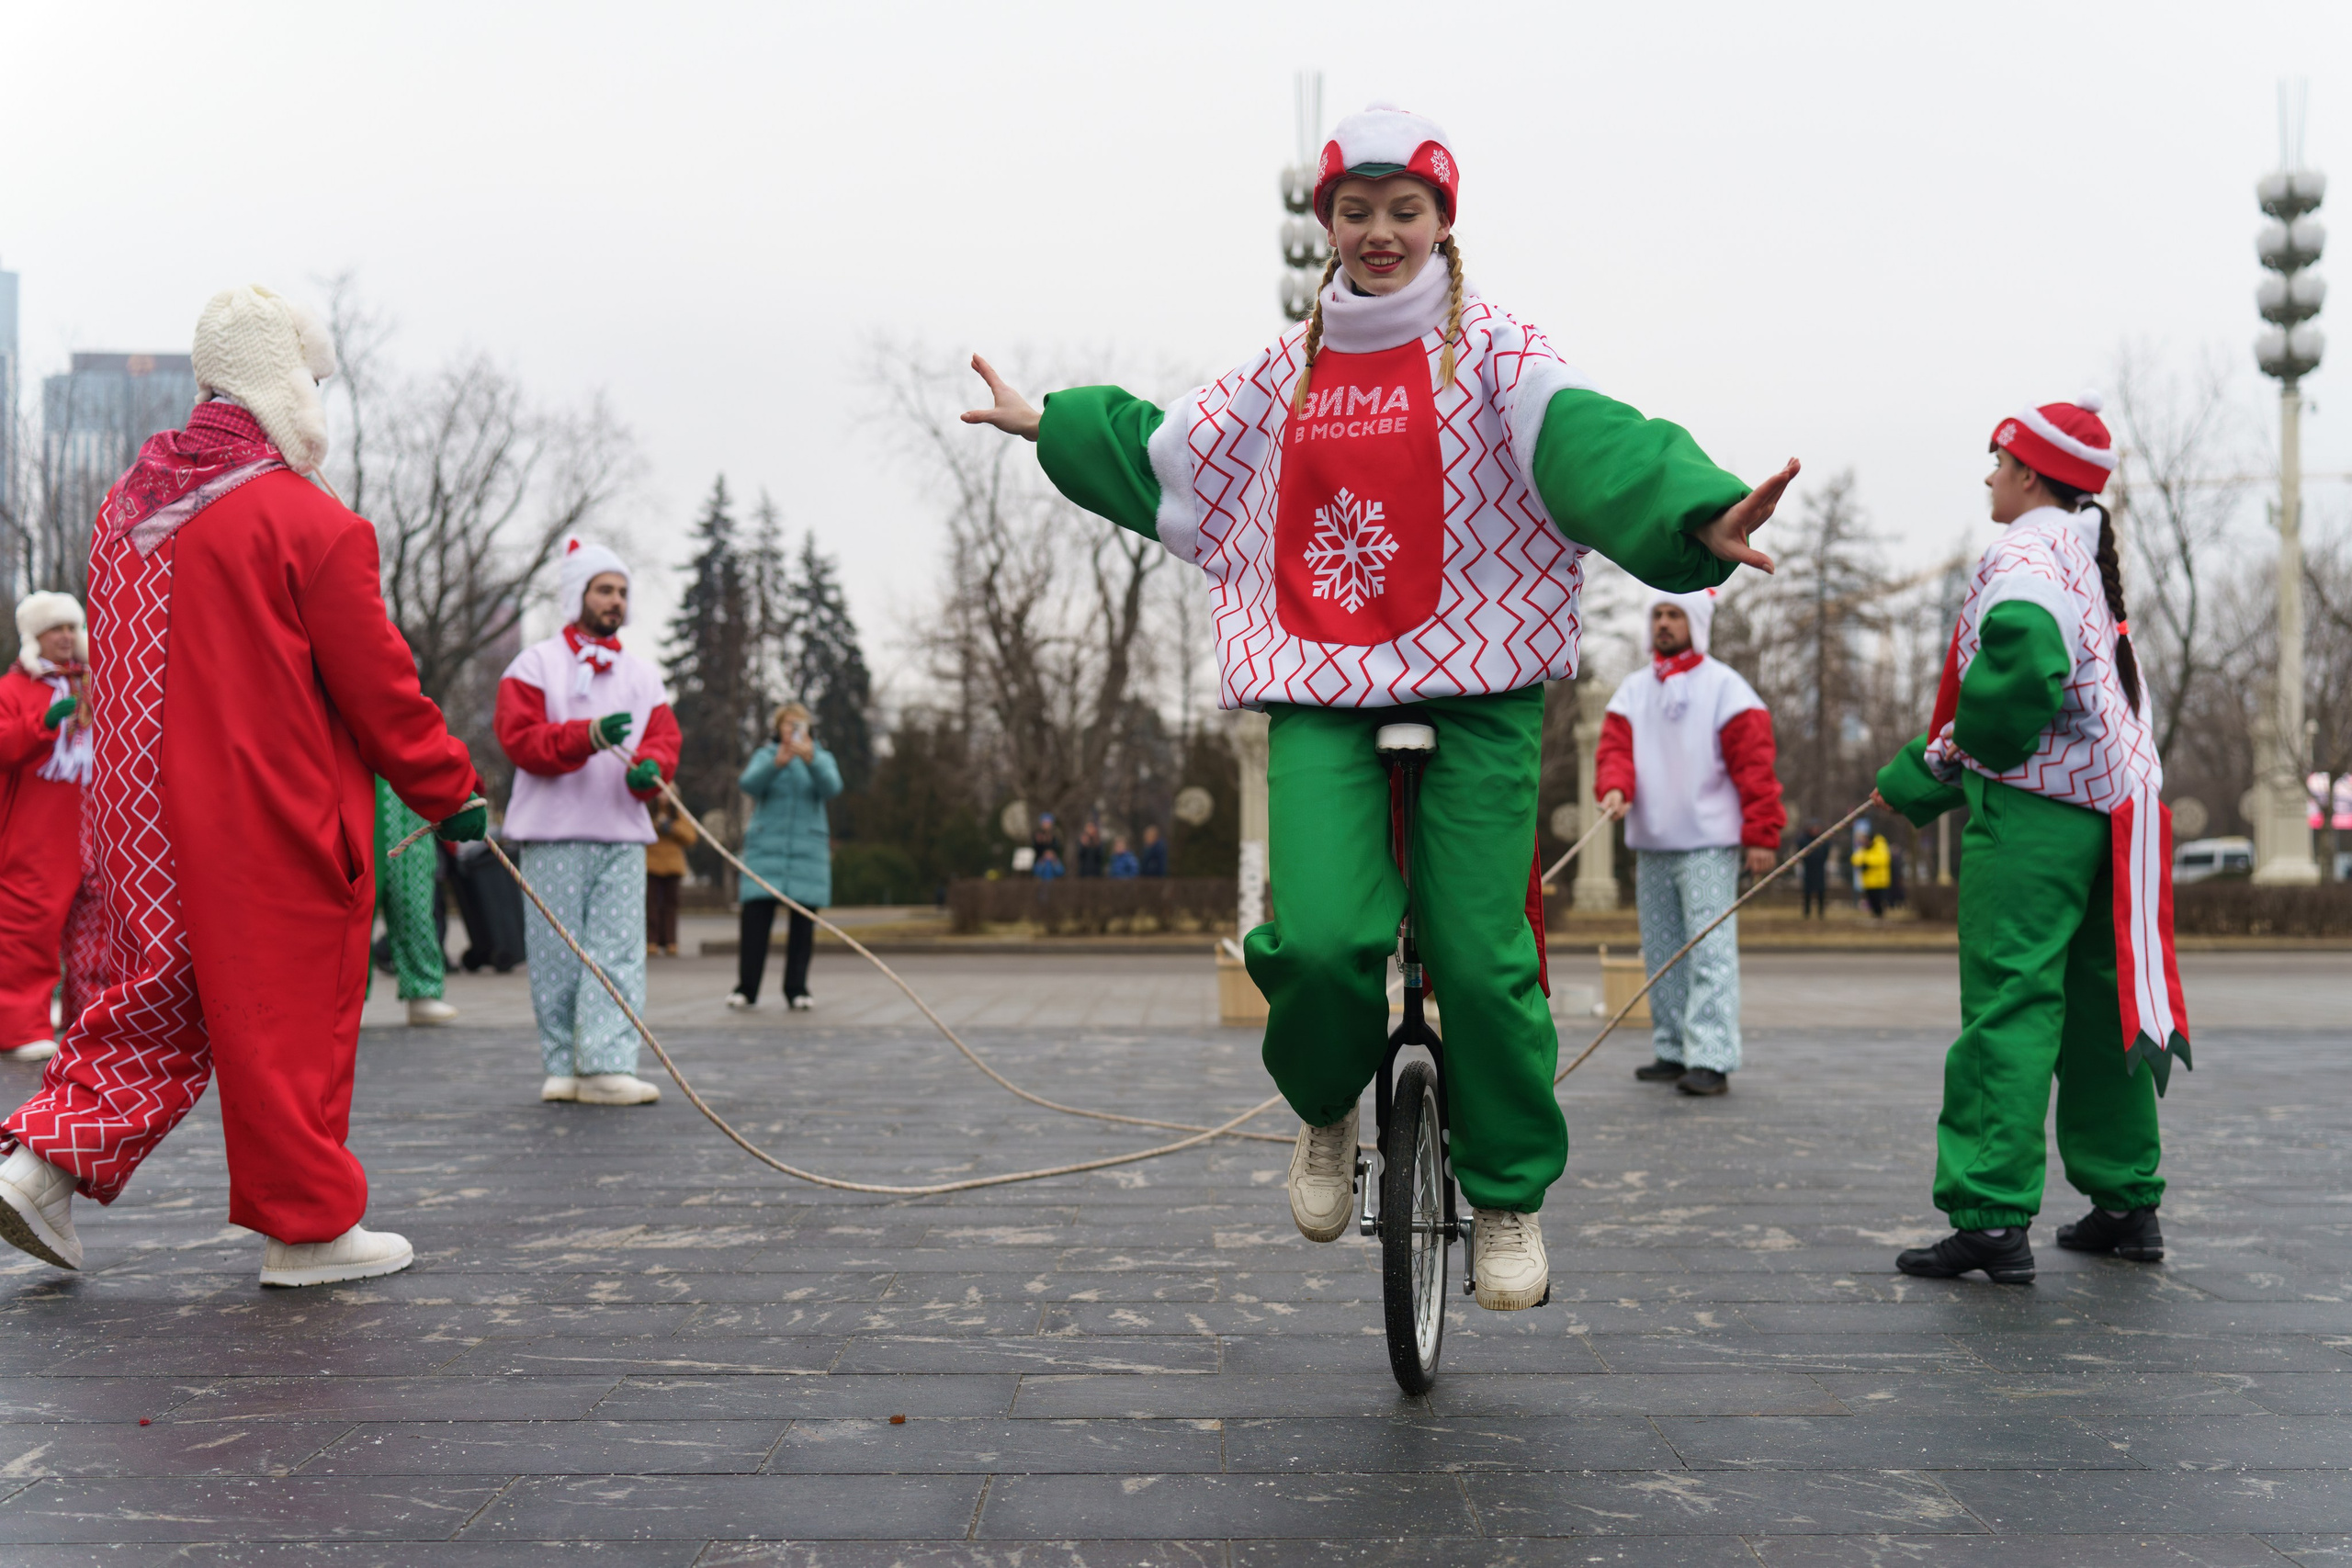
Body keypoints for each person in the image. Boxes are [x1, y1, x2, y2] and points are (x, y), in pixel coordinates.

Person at [962, 103, 1795, 1309]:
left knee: (1481, 949)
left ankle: (1505, 1191)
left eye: (1406, 211)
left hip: (1481, 682)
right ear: (1328, 228)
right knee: (1316, 939)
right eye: (1357, 212)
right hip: (1326, 684)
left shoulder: (1501, 355)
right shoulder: (1281, 372)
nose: (1380, 233)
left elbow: (1592, 444)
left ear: (1445, 222)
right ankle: (1321, 1103)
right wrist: (1049, 421)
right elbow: (1169, 453)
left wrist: (1695, 515)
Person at [0, 285, 485, 1286]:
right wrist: (449, 787)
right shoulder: (312, 523)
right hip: (272, 816)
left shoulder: (131, 507)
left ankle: (40, 1169)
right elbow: (381, 688)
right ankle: (307, 1229)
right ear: (283, 383)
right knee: (289, 1017)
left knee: (163, 996)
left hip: (138, 818)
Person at [1873, 392, 2187, 1285]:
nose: (1987, 477)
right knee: (2102, 1006)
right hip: (2120, 811)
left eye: (1996, 461)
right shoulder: (2083, 555)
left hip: (2037, 811)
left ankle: (1988, 1216)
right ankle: (2125, 1202)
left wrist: (1928, 771)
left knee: (2009, 1002)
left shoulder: (2022, 549)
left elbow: (2022, 675)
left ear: (2027, 472)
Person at [495, 539, 679, 1106]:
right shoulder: (535, 665)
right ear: (577, 594)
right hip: (552, 833)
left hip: (621, 833)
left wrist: (653, 770)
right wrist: (586, 736)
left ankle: (606, 1064)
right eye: (605, 589)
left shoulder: (644, 676)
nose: (615, 601)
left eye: (622, 591)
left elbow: (663, 739)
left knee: (619, 949)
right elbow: (519, 739)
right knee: (555, 953)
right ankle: (563, 1066)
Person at [1595, 589, 1785, 1097]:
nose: (1663, 623)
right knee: (1661, 951)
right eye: (1657, 614)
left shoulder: (1726, 688)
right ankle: (1673, 1047)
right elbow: (1615, 751)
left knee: (1709, 949)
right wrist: (1614, 787)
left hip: (1708, 841)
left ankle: (1713, 1056)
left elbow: (1755, 768)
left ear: (1696, 622)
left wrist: (1761, 834)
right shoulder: (1633, 691)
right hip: (1652, 841)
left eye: (1674, 614)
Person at [0, 593, 96, 1062]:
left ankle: (91, 1020)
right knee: (27, 927)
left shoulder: (98, 686)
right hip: (36, 831)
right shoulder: (14, 689)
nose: (65, 637)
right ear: (35, 636)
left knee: (96, 931)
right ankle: (21, 1026)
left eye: (71, 628)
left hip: (92, 827)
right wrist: (44, 721)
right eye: (55, 629)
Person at [726, 701, 840, 1012]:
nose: (793, 730)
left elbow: (832, 787)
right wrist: (777, 762)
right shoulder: (766, 756)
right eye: (788, 725)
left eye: (799, 724)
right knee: (754, 923)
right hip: (766, 852)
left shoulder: (821, 758)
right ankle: (746, 989)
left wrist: (811, 759)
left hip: (807, 854)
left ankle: (797, 989)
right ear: (778, 728)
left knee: (803, 927)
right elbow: (748, 784)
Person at [375, 777, 458, 1024]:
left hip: (407, 794)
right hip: (352, 782)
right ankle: (342, 998)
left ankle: (423, 991)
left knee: (414, 901)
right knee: (349, 903)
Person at [646, 799, 696, 957]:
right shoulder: (647, 812)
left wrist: (671, 827)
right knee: (650, 904)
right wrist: (656, 825)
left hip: (673, 865)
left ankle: (670, 941)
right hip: (651, 864)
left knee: (671, 904)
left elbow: (691, 837)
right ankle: (651, 940)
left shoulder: (679, 814)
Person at [1852, 826, 1891, 921]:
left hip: (1879, 880)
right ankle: (1876, 914)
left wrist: (1867, 862)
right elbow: (1855, 859)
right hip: (1868, 881)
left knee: (1878, 899)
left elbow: (1883, 859)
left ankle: (1880, 914)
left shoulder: (1880, 846)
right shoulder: (1864, 849)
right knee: (1871, 898)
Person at [1797, 817, 1830, 919]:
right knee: (1807, 891)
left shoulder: (1823, 840)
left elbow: (1826, 851)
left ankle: (1821, 912)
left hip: (1819, 868)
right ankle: (1807, 912)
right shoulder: (1804, 840)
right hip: (1808, 868)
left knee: (1821, 891)